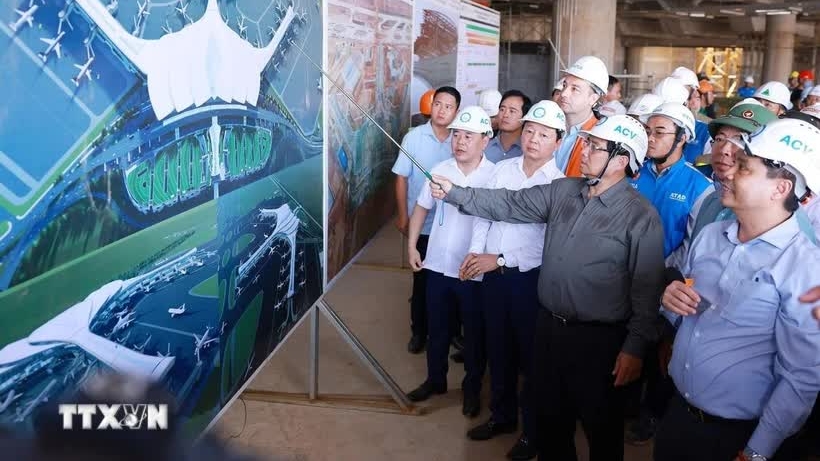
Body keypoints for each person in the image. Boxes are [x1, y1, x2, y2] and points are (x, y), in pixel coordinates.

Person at [430, 114, 666, 461]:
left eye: (595, 147)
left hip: (600, 342)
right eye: (587, 143)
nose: (585, 151)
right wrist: (455, 193)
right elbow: (509, 204)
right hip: (549, 329)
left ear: (621, 160)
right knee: (552, 422)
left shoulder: (641, 217)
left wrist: (634, 349)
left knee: (601, 429)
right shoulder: (564, 190)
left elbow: (647, 291)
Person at [654, 118, 820, 461]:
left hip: (737, 438)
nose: (727, 172)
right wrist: (670, 300)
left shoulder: (805, 267)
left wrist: (758, 451)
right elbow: (686, 303)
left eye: (743, 167)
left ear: (780, 188)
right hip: (679, 415)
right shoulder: (710, 236)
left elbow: (801, 376)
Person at [463, 101, 566, 461]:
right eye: (530, 130)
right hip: (492, 276)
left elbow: (549, 244)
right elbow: (484, 213)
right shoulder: (503, 169)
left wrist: (501, 259)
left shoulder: (559, 185)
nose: (534, 138)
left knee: (531, 359)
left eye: (544, 134)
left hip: (528, 280)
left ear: (558, 142)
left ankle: (532, 433)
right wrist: (476, 254)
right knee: (498, 348)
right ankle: (502, 416)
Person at [405, 105, 496, 419]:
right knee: (437, 329)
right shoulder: (440, 169)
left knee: (474, 334)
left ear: (485, 140)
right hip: (437, 266)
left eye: (468, 136)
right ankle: (436, 380)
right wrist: (412, 246)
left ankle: (472, 389)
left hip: (473, 272)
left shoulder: (494, 176)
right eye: (456, 135)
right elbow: (421, 208)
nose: (460, 141)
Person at [392, 86, 460, 354]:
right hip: (421, 225)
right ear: (431, 107)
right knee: (421, 281)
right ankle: (419, 331)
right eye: (438, 104)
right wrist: (402, 216)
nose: (442, 110)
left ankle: (451, 332)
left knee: (452, 280)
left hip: (451, 226)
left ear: (456, 111)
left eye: (448, 106)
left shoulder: (460, 138)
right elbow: (401, 178)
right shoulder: (414, 137)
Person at [633, 102, 712, 258]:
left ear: (681, 138)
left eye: (659, 133)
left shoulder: (701, 187)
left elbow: (693, 245)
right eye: (647, 131)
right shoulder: (631, 172)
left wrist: (660, 269)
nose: (650, 138)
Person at [553, 56, 609, 178]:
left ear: (593, 99)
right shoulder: (550, 125)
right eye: (564, 85)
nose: (564, 93)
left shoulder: (600, 138)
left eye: (575, 89)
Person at [484, 90, 532, 163]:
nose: (505, 115)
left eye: (512, 111)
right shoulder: (484, 145)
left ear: (524, 117)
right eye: (502, 109)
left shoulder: (529, 150)